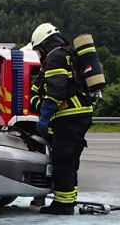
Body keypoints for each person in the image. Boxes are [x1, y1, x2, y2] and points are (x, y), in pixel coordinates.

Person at [29, 23, 93, 215]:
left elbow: (56, 91)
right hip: (80, 115)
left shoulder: (55, 57)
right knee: (71, 160)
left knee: (63, 160)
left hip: (68, 116)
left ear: (43, 45)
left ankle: (63, 205)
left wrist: (44, 117)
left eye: (38, 50)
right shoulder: (69, 55)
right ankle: (69, 200)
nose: (39, 55)